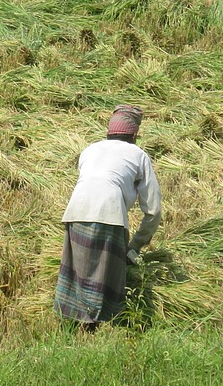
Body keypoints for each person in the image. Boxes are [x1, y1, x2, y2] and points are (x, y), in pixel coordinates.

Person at [55, 104, 162, 328]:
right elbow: (153, 210)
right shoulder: (138, 154)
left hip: (76, 211)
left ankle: (77, 325)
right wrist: (135, 246)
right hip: (109, 213)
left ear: (109, 131)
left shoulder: (90, 150)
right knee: (107, 273)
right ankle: (105, 324)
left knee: (80, 271)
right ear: (134, 134)